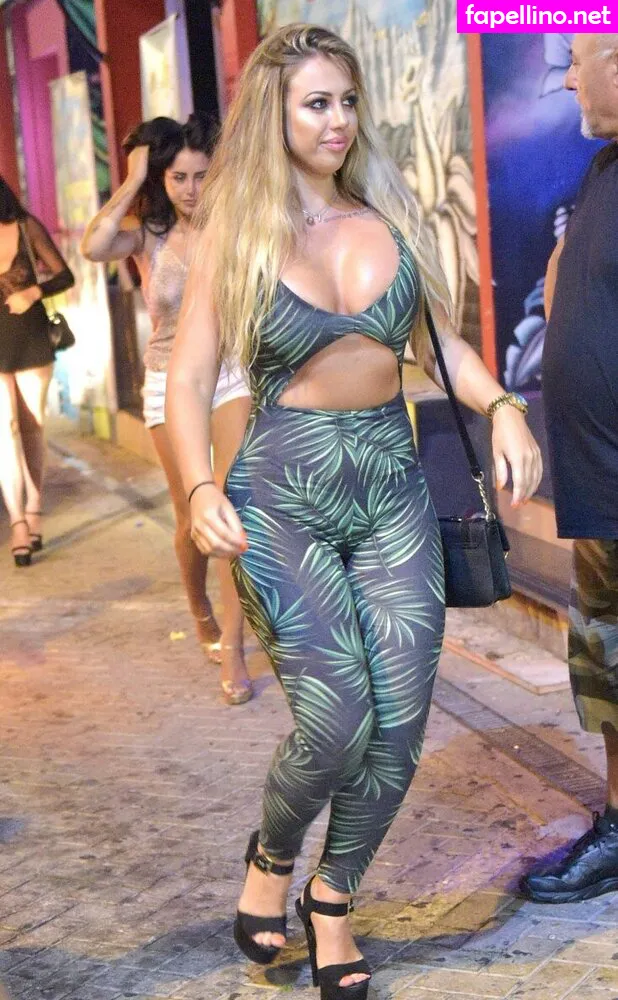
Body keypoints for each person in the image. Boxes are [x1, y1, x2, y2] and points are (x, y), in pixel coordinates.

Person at [166, 25, 542, 998]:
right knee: (335, 720)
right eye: (315, 104)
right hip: (280, 494)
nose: (337, 121)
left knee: (401, 719)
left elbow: (440, 346)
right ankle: (272, 852)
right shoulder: (238, 236)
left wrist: (502, 405)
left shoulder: (385, 218)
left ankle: (331, 897)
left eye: (346, 101)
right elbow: (189, 380)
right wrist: (200, 486)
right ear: (275, 114)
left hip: (390, 487)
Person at [81, 115, 253, 705]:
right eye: (178, 177)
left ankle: (234, 646)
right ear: (163, 178)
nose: (190, 189)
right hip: (166, 380)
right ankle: (199, 606)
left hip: (230, 373)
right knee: (189, 519)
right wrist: (132, 179)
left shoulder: (235, 226)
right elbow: (92, 246)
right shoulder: (148, 233)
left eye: (201, 176)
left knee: (229, 510)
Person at [521, 33, 618, 904]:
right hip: (599, 484)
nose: (567, 80)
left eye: (578, 60)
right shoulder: (603, 170)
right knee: (607, 657)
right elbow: (563, 280)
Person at [0, 176, 74, 567]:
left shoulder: (26, 227)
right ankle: (17, 522)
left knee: (31, 427)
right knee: (5, 432)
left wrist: (34, 291)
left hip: (29, 338)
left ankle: (34, 506)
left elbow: (65, 274)